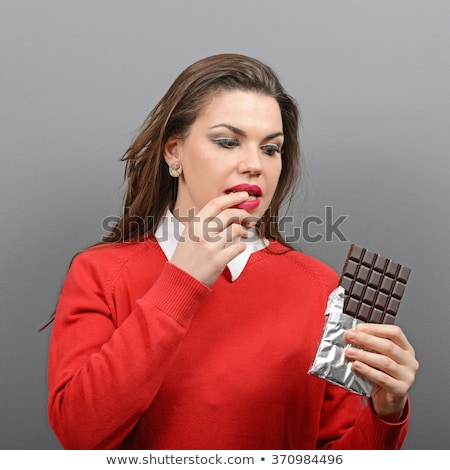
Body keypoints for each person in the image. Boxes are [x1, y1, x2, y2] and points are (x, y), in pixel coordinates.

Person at [46, 53, 419, 450]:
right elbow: (81, 435)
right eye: (228, 142)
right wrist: (180, 283)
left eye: (271, 149)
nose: (254, 165)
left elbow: (336, 451)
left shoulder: (320, 287)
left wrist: (386, 413)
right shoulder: (101, 273)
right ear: (174, 152)